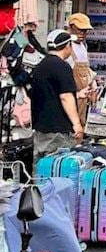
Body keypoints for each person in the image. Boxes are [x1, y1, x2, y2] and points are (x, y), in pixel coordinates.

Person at [31, 31, 84, 160]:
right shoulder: (62, 67)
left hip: (41, 127)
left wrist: (77, 94)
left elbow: (50, 93)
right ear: (67, 46)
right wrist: (77, 123)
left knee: (41, 167)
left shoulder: (40, 66)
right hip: (58, 129)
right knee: (58, 168)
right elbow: (65, 97)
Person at [66, 13, 96, 125]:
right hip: (71, 92)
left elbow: (87, 68)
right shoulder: (66, 45)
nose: (83, 34)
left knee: (81, 122)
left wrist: (93, 84)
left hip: (84, 94)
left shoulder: (83, 46)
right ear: (71, 27)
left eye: (85, 31)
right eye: (80, 30)